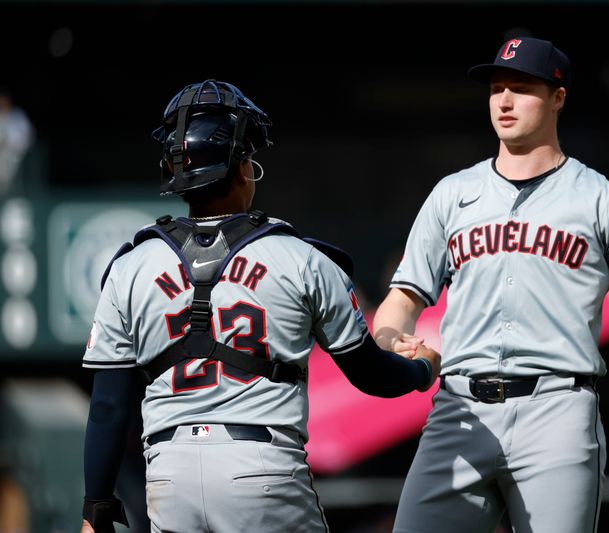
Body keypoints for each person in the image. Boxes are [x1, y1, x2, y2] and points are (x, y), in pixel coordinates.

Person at [372, 36, 609, 533]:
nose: (504, 101)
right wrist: (387, 336)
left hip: (557, 411)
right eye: (496, 88)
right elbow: (401, 300)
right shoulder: (451, 195)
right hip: (459, 410)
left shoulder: (602, 199)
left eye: (521, 88)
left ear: (558, 97)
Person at [79, 79, 440, 533]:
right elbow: (372, 376)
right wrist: (422, 369)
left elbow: (109, 407)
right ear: (243, 168)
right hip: (261, 466)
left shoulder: (129, 266)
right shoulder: (302, 257)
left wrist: (96, 504)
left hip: (168, 474)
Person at [0, 86, 34, 196]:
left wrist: (9, 144)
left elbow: (28, 137)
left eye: (4, 101)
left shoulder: (18, 115)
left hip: (17, 156)